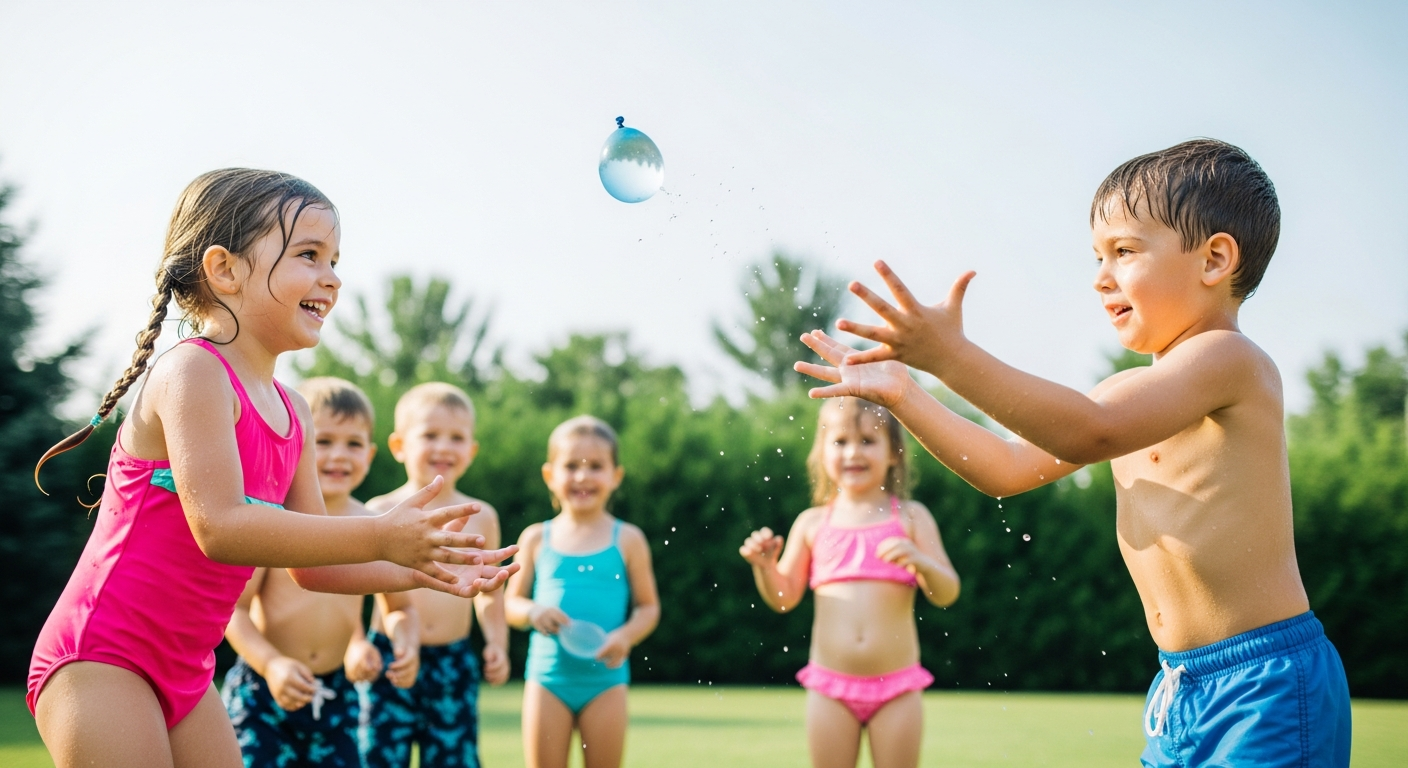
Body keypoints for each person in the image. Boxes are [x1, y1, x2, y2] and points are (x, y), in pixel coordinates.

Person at [795, 139, 1352, 766]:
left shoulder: (1230, 361)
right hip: (1182, 684)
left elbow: (1090, 432)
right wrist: (906, 393)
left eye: (1124, 251)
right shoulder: (1124, 394)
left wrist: (950, 358)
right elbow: (1005, 468)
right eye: (1097, 256)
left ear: (1215, 259)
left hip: (1264, 684)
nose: (1100, 276)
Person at [27, 169, 517, 768]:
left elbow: (311, 567)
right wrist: (381, 534)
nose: (332, 277)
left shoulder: (295, 412)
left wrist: (419, 567)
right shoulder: (194, 372)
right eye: (309, 255)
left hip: (187, 670)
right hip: (103, 653)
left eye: (335, 260)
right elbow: (222, 527)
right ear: (224, 269)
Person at [739, 399, 960, 768]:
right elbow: (783, 597)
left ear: (894, 452)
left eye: (868, 441)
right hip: (830, 688)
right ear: (822, 452)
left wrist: (921, 562)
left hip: (897, 688)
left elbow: (947, 592)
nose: (853, 452)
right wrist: (765, 567)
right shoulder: (811, 523)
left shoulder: (911, 518)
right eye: (840, 441)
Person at [221, 377, 421, 768]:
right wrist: (271, 665)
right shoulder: (275, 520)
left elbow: (401, 608)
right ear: (298, 443)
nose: (339, 456)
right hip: (264, 690)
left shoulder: (373, 527)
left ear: (370, 454)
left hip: (337, 696)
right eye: (324, 441)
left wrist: (405, 644)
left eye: (354, 444)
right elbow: (235, 612)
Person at [361, 383, 509, 768]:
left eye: (456, 438)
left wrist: (496, 641)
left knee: (454, 759)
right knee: (378, 758)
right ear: (399, 446)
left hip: (452, 662)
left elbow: (490, 590)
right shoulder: (379, 511)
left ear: (471, 451)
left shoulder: (482, 516)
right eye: (430, 435)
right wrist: (355, 642)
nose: (444, 447)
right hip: (391, 656)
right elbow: (355, 590)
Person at [505, 416, 661, 768]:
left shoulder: (629, 539)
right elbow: (510, 604)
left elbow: (648, 608)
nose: (582, 476)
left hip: (606, 681)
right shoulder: (535, 538)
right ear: (549, 475)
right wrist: (532, 611)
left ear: (616, 476)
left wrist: (625, 636)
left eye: (596, 466)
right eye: (571, 465)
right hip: (548, 680)